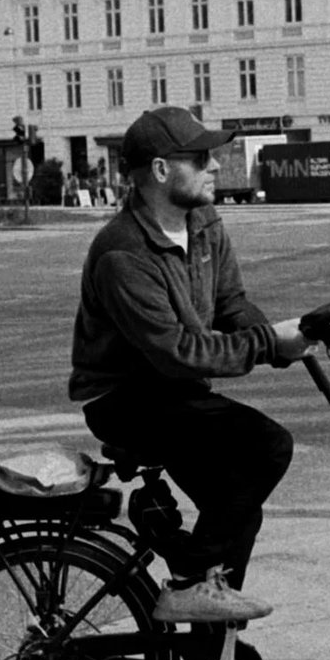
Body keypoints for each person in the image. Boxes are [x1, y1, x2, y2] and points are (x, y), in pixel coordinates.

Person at [69, 107, 312, 628]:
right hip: (126, 400)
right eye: (200, 158)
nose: (216, 167)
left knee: (238, 505)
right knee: (269, 445)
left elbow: (232, 304)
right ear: (161, 170)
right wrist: (269, 343)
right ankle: (190, 581)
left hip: (175, 392)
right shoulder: (123, 253)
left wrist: (292, 341)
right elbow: (178, 352)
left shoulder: (202, 223)